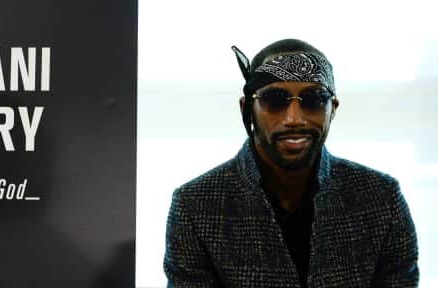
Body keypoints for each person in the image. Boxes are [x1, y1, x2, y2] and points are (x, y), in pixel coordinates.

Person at [163, 39, 419, 288]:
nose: (294, 119)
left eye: (314, 99)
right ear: (247, 109)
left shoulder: (381, 198)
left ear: (333, 109)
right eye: (274, 100)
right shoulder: (195, 206)